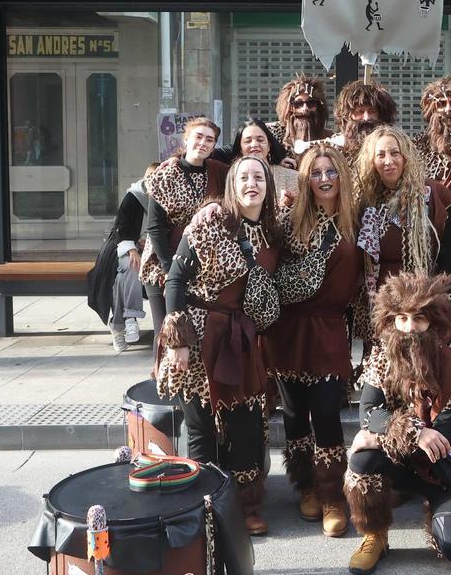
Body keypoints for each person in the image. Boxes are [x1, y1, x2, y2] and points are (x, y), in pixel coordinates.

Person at [155, 155, 284, 536]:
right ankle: (204, 510)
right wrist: (177, 340)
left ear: (268, 185)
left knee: (245, 420)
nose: (251, 184)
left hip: (239, 336)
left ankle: (247, 506)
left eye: (258, 177)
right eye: (243, 177)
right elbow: (175, 280)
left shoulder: (273, 230)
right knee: (201, 426)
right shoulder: (210, 221)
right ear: (231, 185)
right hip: (197, 335)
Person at [344, 271, 451, 574]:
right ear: (391, 320)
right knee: (362, 460)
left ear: (434, 321)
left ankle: (439, 505)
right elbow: (368, 411)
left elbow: (435, 443)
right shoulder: (382, 358)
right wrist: (414, 432)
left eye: (418, 318)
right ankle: (375, 535)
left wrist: (378, 435)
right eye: (402, 318)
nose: (409, 328)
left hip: (447, 469)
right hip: (402, 461)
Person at [265, 141, 361, 538]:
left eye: (331, 171)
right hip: (289, 328)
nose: (324, 178)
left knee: (326, 412)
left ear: (342, 175)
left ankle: (332, 494)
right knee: (294, 412)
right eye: (316, 172)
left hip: (331, 326)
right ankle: (306, 485)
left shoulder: (358, 220)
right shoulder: (288, 221)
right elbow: (267, 269)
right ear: (306, 179)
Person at [354, 126, 451, 342]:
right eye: (380, 155)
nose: (388, 161)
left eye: (395, 153)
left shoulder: (432, 194)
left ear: (406, 157)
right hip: (380, 306)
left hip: (423, 307)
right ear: (371, 160)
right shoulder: (362, 200)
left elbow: (449, 257)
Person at [140, 117, 228, 354]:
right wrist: (170, 270)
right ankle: (162, 373)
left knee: (191, 330)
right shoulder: (165, 175)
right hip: (162, 260)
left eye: (209, 139)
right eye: (198, 137)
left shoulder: (219, 172)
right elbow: (155, 227)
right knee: (166, 330)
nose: (203, 143)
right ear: (186, 139)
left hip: (199, 262)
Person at [108, 162, 159, 352]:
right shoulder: (134, 196)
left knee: (123, 280)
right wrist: (133, 249)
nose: (154, 182)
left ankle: (118, 325)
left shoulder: (167, 195)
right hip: (125, 247)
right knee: (131, 268)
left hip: (153, 249)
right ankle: (128, 319)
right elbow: (122, 228)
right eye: (151, 178)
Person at [336, 79, 398, 162]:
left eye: (372, 111)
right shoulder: (336, 148)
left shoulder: (396, 146)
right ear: (348, 115)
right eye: (360, 111)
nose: (366, 117)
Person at [268, 76, 332, 153]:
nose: (305, 108)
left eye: (311, 103)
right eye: (298, 103)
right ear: (287, 108)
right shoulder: (272, 136)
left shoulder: (330, 139)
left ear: (319, 108)